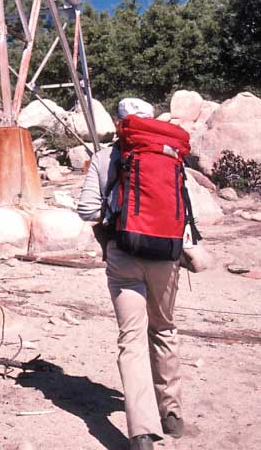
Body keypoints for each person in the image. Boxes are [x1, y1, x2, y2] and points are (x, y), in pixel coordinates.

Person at [78, 98, 184, 450]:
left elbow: (87, 210)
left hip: (123, 254)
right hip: (166, 256)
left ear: (119, 122)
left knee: (131, 339)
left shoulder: (104, 157)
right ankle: (171, 413)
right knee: (164, 328)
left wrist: (114, 220)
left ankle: (141, 432)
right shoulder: (169, 153)